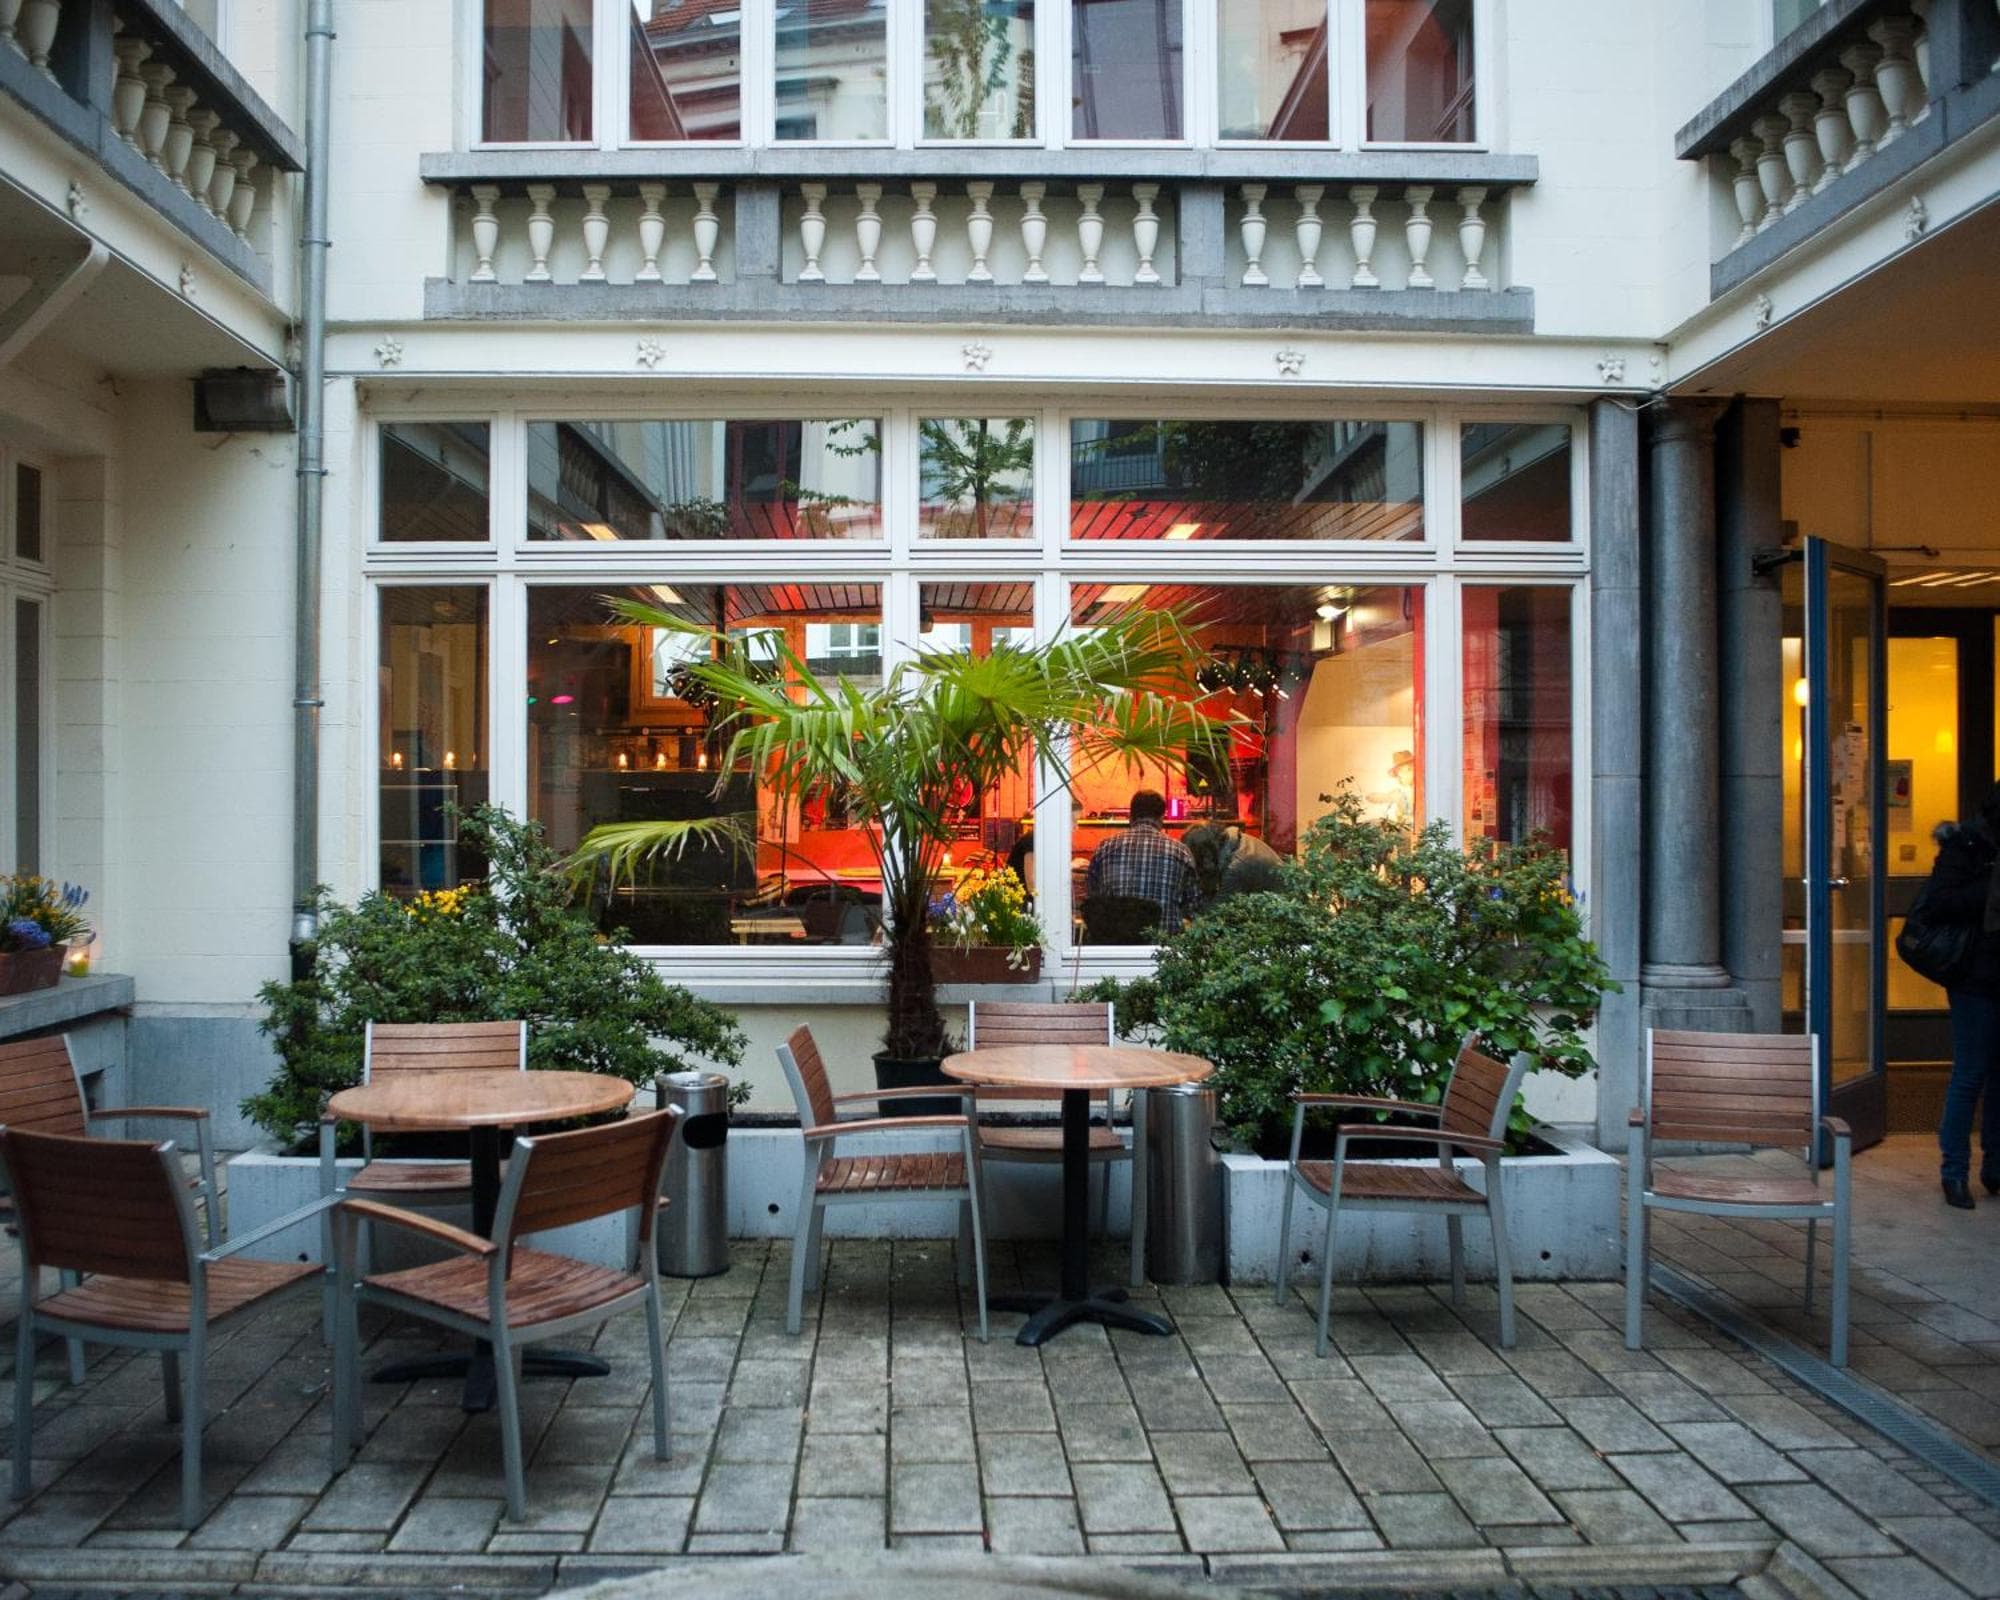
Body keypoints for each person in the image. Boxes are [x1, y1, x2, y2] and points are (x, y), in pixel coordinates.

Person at [1921, 783, 2000, 1208]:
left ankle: (1995, 1167)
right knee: (1970, 1073)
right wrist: (1990, 886)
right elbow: (1938, 904)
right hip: (1975, 978)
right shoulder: (1965, 846)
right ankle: (1954, 1172)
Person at [1085, 789, 1199, 934]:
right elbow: (1193, 905)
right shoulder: (1181, 852)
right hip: (1165, 943)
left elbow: (1093, 898)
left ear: (1130, 816)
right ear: (1161, 818)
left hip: (1116, 941)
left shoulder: (1105, 848)